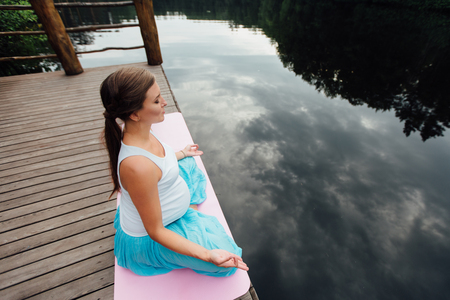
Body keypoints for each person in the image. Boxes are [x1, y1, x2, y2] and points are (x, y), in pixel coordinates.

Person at [100, 67, 248, 276]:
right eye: (156, 100)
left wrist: (180, 153)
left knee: (188, 162)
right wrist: (207, 255)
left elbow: (160, 162)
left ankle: (188, 210)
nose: (164, 102)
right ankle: (189, 216)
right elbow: (155, 231)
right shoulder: (137, 167)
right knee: (227, 261)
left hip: (163, 202)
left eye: (160, 95)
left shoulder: (138, 130)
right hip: (150, 238)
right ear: (134, 114)